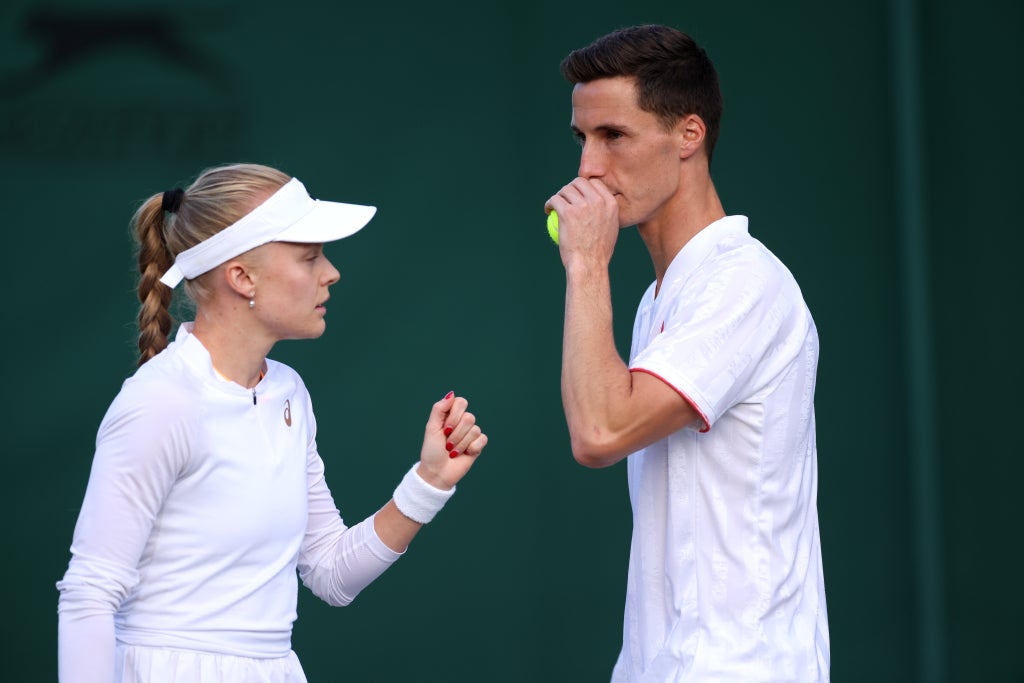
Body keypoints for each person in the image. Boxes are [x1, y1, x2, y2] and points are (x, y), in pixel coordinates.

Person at [56, 162, 488, 682]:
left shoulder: (289, 392)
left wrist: (429, 481)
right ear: (242, 277)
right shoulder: (161, 401)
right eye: (309, 257)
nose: (331, 272)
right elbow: (89, 594)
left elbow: (331, 572)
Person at [544, 25, 829, 681]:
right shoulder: (660, 299)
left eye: (614, 135)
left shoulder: (744, 282)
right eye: (582, 139)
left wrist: (586, 264)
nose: (588, 168)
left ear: (688, 135)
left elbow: (599, 431)